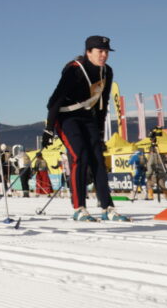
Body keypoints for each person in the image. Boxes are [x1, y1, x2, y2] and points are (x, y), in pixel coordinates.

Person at [43, 35, 127, 222]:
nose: (104, 55)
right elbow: (54, 100)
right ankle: (79, 207)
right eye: (100, 51)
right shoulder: (75, 69)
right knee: (79, 155)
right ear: (88, 52)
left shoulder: (107, 71)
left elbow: (103, 104)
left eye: (106, 52)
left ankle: (107, 207)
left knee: (97, 158)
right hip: (67, 117)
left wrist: (98, 131)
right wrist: (49, 128)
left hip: (88, 117)